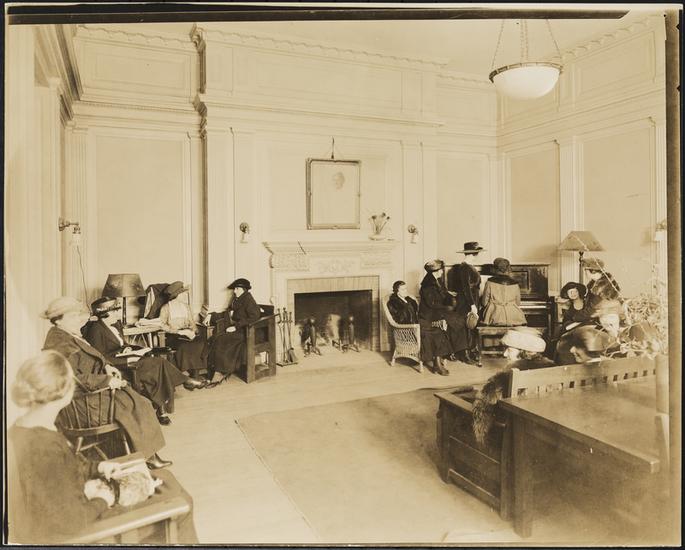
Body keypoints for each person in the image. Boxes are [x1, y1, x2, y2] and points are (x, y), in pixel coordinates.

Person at [8, 351, 198, 544]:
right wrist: (103, 499)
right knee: (182, 504)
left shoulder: (23, 428)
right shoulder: (46, 447)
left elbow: (62, 470)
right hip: (86, 527)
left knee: (165, 477)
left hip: (77, 504)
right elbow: (71, 521)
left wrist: (97, 467)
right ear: (64, 392)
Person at [41, 297, 172, 469]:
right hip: (84, 402)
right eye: (73, 316)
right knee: (138, 404)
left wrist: (108, 366)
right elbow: (70, 378)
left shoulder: (66, 335)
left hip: (92, 391)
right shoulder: (60, 344)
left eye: (78, 315)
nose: (79, 320)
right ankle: (148, 456)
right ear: (58, 320)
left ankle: (146, 453)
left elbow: (94, 356)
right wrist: (107, 380)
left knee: (139, 401)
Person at [82, 297, 206, 425]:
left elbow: (121, 345)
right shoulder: (95, 330)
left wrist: (128, 349)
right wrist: (127, 359)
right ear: (105, 314)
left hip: (128, 358)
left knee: (158, 370)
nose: (118, 314)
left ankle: (163, 408)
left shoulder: (116, 325)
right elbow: (100, 357)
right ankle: (183, 384)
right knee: (159, 363)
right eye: (115, 311)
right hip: (118, 366)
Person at [472, 328, 553, 444]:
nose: (505, 354)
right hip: (541, 432)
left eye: (509, 350)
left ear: (524, 352)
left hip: (511, 435)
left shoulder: (505, 378)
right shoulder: (552, 369)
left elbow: (483, 409)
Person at [207, 278, 261, 386]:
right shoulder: (237, 299)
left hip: (246, 331)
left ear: (244, 289)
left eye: (237, 289)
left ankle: (221, 372)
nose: (234, 291)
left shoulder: (248, 299)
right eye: (235, 289)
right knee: (217, 337)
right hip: (238, 329)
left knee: (222, 340)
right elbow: (228, 313)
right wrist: (211, 315)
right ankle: (216, 370)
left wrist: (236, 326)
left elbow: (255, 317)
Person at [158, 281, 209, 377]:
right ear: (177, 295)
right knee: (184, 345)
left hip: (188, 333)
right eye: (183, 293)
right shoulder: (166, 308)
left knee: (200, 342)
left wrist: (194, 331)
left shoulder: (186, 307)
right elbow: (161, 325)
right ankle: (185, 374)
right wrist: (178, 332)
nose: (185, 295)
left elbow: (192, 322)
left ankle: (195, 373)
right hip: (173, 335)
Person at [447, 241, 485, 365]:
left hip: (471, 299)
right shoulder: (464, 268)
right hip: (466, 301)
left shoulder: (468, 266)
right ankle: (464, 354)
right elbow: (466, 288)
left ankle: (470, 351)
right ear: (474, 253)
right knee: (466, 326)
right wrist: (472, 305)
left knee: (470, 326)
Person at [418, 261, 455, 376]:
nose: (442, 272)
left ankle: (443, 358)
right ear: (435, 272)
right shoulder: (427, 285)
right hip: (427, 318)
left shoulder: (436, 281)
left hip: (435, 314)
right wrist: (447, 307)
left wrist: (450, 296)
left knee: (454, 324)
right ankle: (437, 364)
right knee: (438, 332)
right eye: (440, 270)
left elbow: (442, 294)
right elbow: (432, 303)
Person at [481, 257, 527, 327]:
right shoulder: (515, 284)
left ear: (495, 269)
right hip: (513, 317)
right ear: (508, 268)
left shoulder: (490, 282)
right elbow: (518, 303)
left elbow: (484, 302)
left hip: (495, 316)